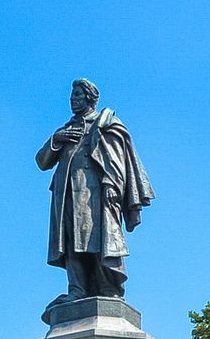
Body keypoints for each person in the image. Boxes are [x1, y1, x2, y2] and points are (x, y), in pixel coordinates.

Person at [36, 79, 153, 303]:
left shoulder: (106, 123)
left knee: (98, 237)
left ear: (90, 98)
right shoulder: (65, 130)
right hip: (67, 195)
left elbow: (116, 160)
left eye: (78, 95)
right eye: (72, 96)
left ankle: (108, 288)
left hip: (95, 193)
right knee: (72, 241)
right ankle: (77, 289)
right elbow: (42, 162)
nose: (73, 99)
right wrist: (55, 140)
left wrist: (112, 185)